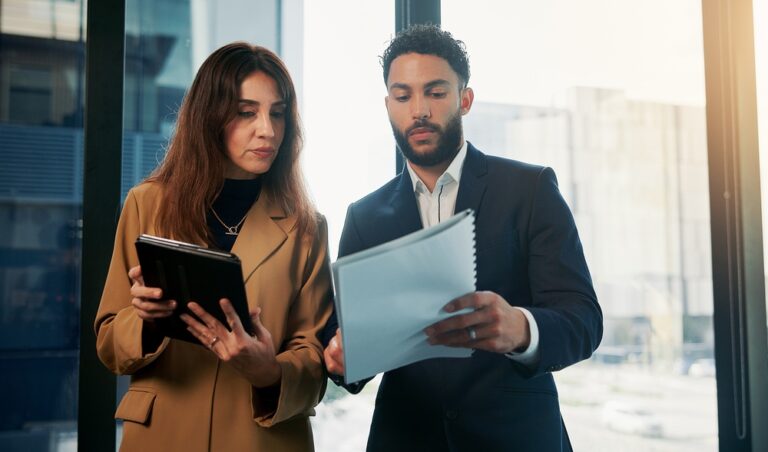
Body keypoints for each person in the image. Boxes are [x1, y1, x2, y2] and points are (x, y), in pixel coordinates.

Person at [322, 25, 603, 452]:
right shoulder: (364, 218)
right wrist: (342, 358)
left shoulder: (529, 189)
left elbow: (583, 319)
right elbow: (346, 352)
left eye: (435, 92)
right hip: (406, 439)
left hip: (515, 438)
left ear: (464, 100)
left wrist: (520, 329)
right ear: (388, 106)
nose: (419, 110)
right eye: (403, 96)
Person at [95, 42, 332, 452]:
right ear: (209, 116)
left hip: (261, 439)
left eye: (277, 113)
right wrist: (147, 320)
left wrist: (270, 372)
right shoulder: (146, 203)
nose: (268, 130)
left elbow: (313, 359)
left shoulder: (307, 227)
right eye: (246, 112)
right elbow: (109, 343)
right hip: (162, 435)